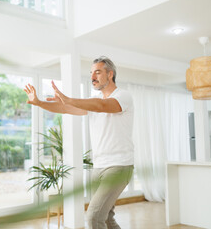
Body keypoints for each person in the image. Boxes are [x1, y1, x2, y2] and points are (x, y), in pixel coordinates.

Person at [24, 56, 134, 229]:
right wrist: (38, 102)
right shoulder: (94, 101)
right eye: (91, 73)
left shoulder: (123, 96)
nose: (92, 77)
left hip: (119, 166)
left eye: (97, 72)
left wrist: (68, 99)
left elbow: (102, 106)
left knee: (93, 217)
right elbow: (65, 108)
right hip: (99, 166)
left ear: (110, 74)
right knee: (106, 218)